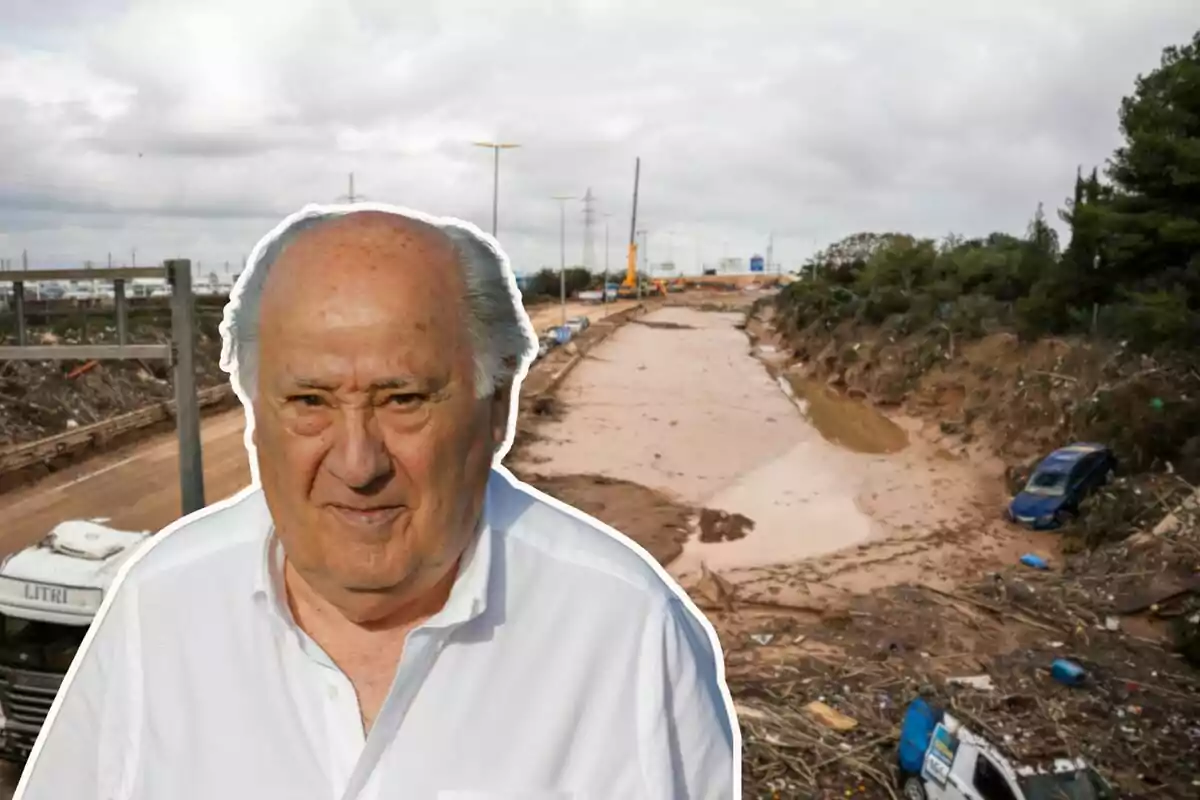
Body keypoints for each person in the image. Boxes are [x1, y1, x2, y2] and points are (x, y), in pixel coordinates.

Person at [17, 204, 739, 800]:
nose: (358, 464)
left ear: (496, 408)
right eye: (310, 401)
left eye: (403, 399)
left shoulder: (627, 633)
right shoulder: (159, 606)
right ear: (255, 415)